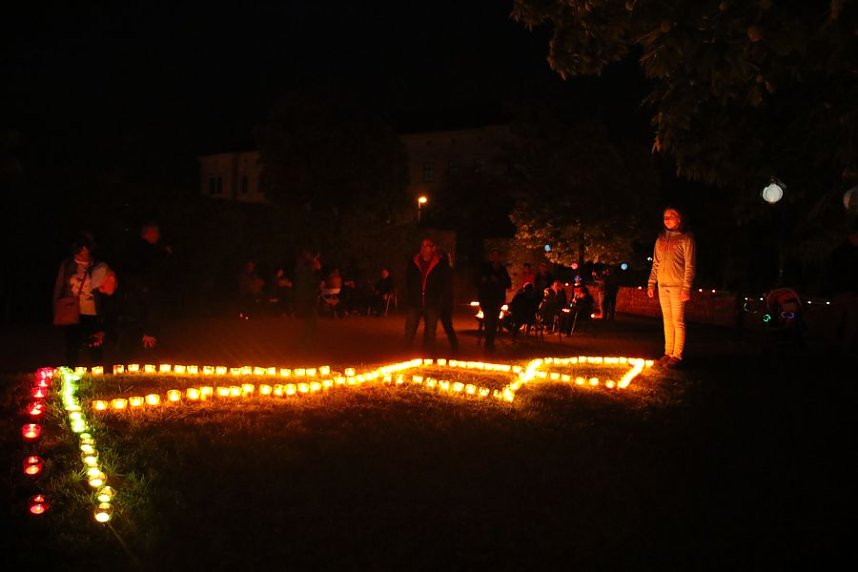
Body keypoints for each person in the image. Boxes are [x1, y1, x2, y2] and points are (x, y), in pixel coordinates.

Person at [647, 207, 696, 368]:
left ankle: (677, 355)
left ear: (680, 219)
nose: (667, 219)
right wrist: (651, 283)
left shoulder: (686, 239)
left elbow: (690, 265)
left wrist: (687, 287)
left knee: (678, 321)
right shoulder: (660, 239)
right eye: (665, 217)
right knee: (667, 320)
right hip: (663, 285)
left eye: (671, 216)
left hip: (678, 286)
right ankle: (668, 353)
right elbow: (656, 263)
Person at [120, 221, 172, 360]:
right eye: (156, 233)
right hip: (145, 301)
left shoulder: (140, 251)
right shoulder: (147, 252)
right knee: (144, 346)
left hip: (142, 301)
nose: (158, 236)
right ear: (149, 233)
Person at [53, 236, 95, 365]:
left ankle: (96, 371)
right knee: (72, 343)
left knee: (94, 342)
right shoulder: (68, 265)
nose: (84, 253)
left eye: (86, 250)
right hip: (72, 309)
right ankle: (71, 370)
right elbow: (59, 286)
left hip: (91, 309)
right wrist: (56, 306)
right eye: (81, 250)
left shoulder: (95, 264)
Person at [404, 238, 449, 354]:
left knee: (430, 331)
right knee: (410, 330)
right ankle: (405, 353)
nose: (423, 248)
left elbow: (444, 283)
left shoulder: (439, 264)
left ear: (433, 248)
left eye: (427, 245)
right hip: (415, 302)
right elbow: (408, 280)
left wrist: (440, 300)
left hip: (432, 303)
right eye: (422, 245)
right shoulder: (413, 262)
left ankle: (428, 355)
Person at [829, 218, 858, 355]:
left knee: (840, 320)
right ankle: (843, 349)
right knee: (850, 321)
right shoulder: (847, 253)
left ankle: (837, 347)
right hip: (848, 291)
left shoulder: (840, 251)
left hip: (841, 290)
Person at [477, 248, 512, 353]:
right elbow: (477, 281)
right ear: (491, 257)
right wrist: (485, 280)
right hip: (486, 299)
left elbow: (508, 283)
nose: (495, 258)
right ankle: (489, 342)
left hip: (497, 300)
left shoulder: (502, 270)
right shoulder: (484, 268)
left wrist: (499, 281)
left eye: (497, 255)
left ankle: (490, 341)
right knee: (488, 320)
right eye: (493, 255)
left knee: (494, 321)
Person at [293, 249, 322, 342]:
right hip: (308, 293)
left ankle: (309, 334)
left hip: (308, 293)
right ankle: (309, 334)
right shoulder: (306, 268)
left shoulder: (304, 267)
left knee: (310, 313)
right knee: (310, 313)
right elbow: (311, 280)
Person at [436, 248, 459, 354]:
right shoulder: (449, 270)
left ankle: (428, 347)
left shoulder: (439, 269)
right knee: (447, 325)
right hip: (446, 301)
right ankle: (454, 345)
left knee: (432, 326)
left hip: (441, 300)